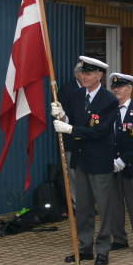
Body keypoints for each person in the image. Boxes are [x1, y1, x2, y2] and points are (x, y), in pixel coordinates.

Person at [51, 56, 118, 265]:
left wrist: (70, 129)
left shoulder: (109, 99)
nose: (84, 76)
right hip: (80, 160)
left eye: (88, 73)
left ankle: (103, 249)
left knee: (104, 207)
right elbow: (72, 119)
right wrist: (62, 116)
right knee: (83, 207)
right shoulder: (78, 94)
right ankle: (84, 247)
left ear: (100, 76)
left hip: (99, 160)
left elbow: (101, 130)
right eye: (82, 73)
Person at [108, 73, 133, 254]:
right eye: (114, 87)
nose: (116, 89)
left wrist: (123, 160)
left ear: (130, 89)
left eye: (120, 87)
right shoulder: (108, 110)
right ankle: (119, 238)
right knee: (114, 205)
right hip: (110, 166)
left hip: (131, 166)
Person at [56, 62, 84, 204]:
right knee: (74, 174)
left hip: (91, 140)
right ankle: (78, 205)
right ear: (77, 75)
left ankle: (89, 203)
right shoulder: (67, 90)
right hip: (72, 140)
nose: (87, 77)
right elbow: (66, 117)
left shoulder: (96, 91)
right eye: (84, 73)